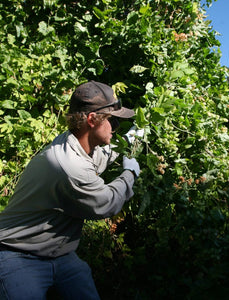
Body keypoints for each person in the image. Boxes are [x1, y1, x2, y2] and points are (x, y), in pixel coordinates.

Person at [0, 81, 142, 299]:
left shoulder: (76, 143)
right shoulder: (68, 164)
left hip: (60, 254)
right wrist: (129, 174)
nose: (116, 127)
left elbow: (99, 157)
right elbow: (106, 202)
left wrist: (129, 140)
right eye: (113, 121)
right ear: (92, 119)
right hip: (17, 253)